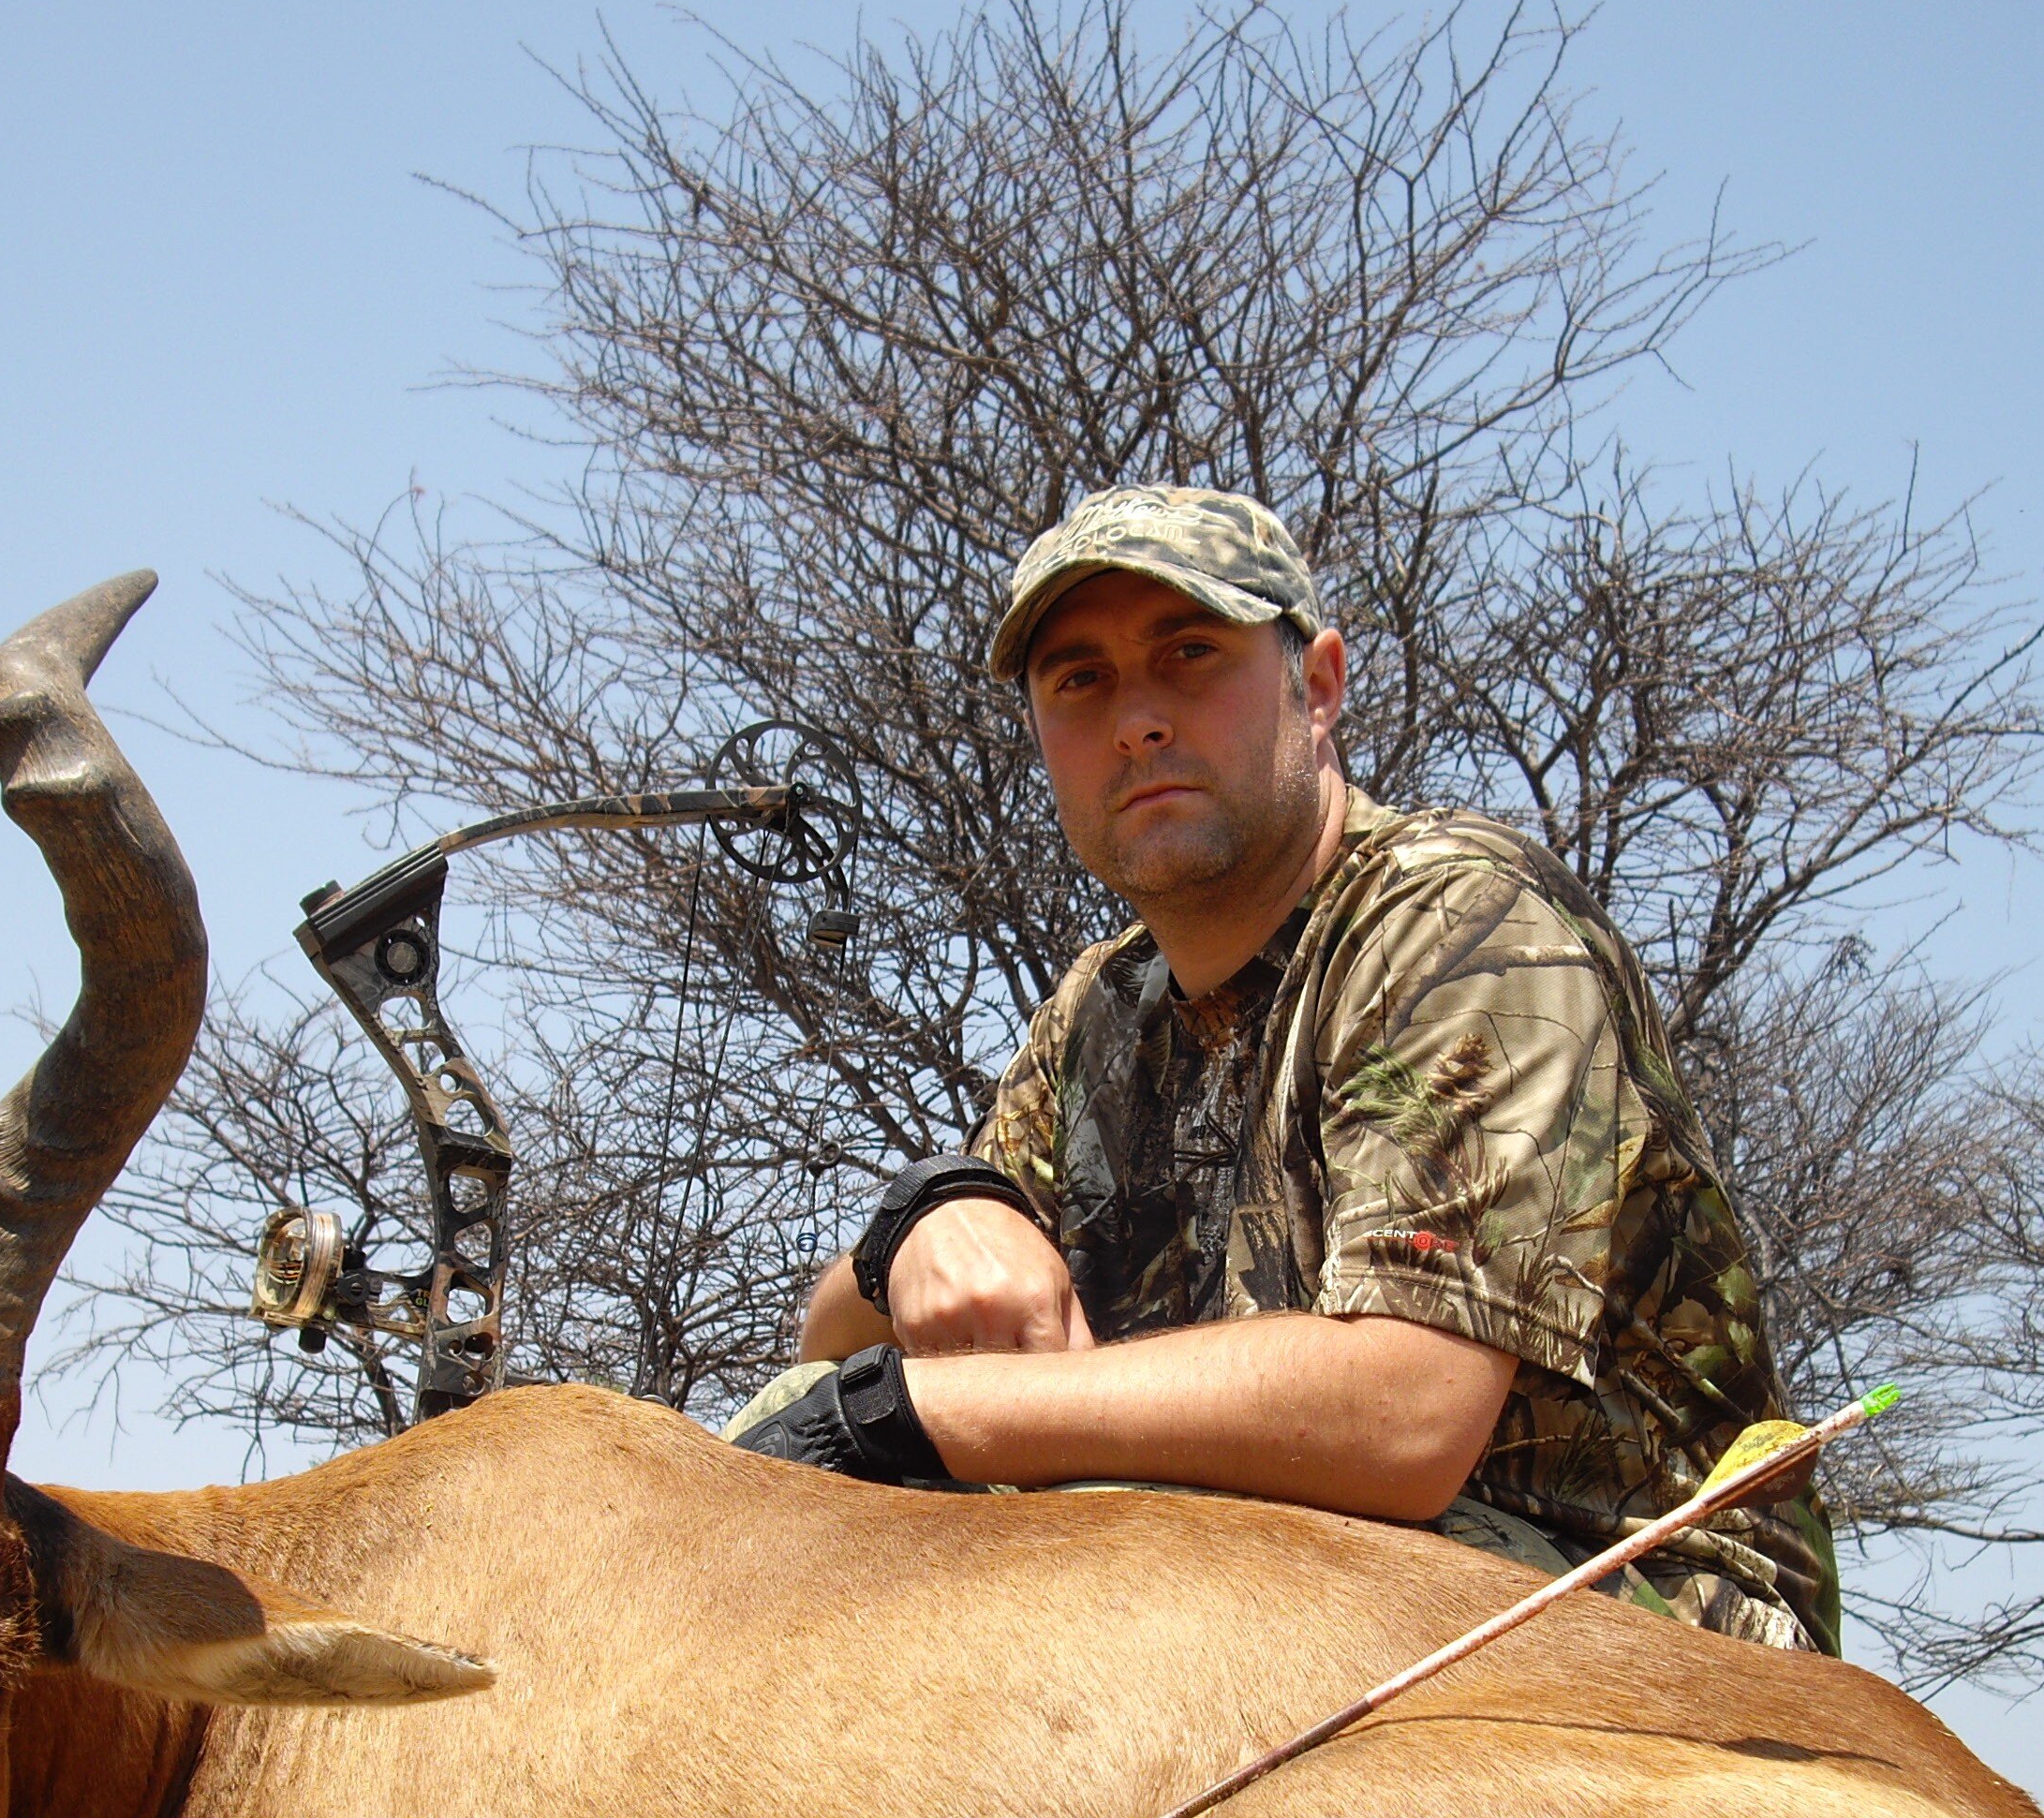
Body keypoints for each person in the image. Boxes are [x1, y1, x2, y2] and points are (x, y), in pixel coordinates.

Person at [734, 485, 1836, 1652]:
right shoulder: (1098, 1011)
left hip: (1645, 1609)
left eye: (1190, 654)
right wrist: (926, 1217)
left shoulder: (1466, 922)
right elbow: (829, 1355)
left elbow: (1403, 1418)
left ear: (1317, 686)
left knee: (1072, 1527)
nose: (1137, 721)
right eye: (1079, 680)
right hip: (1303, 1562)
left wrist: (919, 1413)